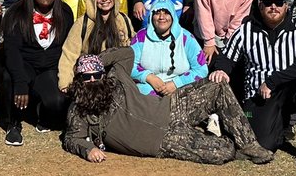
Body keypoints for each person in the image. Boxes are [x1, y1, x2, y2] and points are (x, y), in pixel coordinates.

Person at [63, 50, 273, 165]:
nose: (93, 80)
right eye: (87, 77)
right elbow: (72, 138)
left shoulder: (114, 77)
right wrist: (88, 150)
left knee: (217, 86)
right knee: (223, 152)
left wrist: (96, 60)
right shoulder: (78, 109)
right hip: (161, 141)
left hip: (170, 107)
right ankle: (223, 140)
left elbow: (127, 53)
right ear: (79, 80)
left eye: (96, 74)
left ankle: (249, 144)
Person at [211, 0, 296, 167]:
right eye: (268, 3)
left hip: (290, 89)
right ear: (260, 6)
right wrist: (221, 69)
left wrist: (272, 81)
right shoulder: (246, 30)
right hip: (259, 96)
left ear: (286, 6)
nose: (273, 7)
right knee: (262, 145)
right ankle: (281, 125)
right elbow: (227, 57)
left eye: (278, 2)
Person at [0, 0, 72, 146]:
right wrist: (20, 83)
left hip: (50, 67)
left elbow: (69, 47)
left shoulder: (65, 12)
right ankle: (13, 123)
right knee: (10, 79)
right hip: (24, 64)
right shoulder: (16, 13)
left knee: (57, 102)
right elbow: (12, 51)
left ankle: (42, 115)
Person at [58, 0, 135, 90]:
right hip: (91, 80)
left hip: (117, 79)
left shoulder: (123, 19)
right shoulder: (82, 23)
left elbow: (132, 49)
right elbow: (69, 54)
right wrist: (65, 84)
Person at [130, 0, 208, 96]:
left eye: (166, 13)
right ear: (151, 16)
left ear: (173, 16)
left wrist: (176, 83)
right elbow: (129, 65)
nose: (161, 17)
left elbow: (201, 69)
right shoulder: (141, 37)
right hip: (147, 91)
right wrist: (148, 77)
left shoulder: (186, 38)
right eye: (157, 13)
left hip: (180, 92)